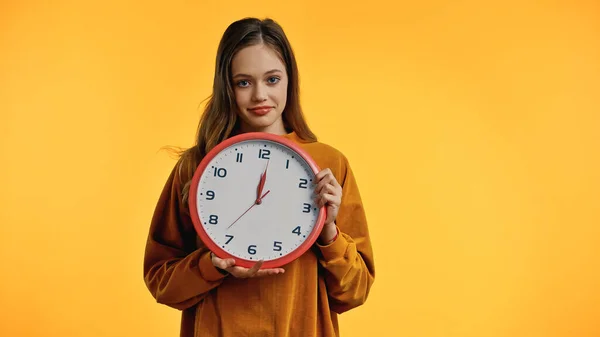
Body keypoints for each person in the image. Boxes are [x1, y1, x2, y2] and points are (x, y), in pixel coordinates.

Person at [143, 17, 375, 337]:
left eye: (272, 79)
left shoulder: (328, 165)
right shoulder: (196, 167)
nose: (259, 96)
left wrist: (329, 231)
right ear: (226, 87)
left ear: (289, 81)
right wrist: (212, 265)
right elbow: (161, 282)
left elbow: (355, 291)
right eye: (243, 82)